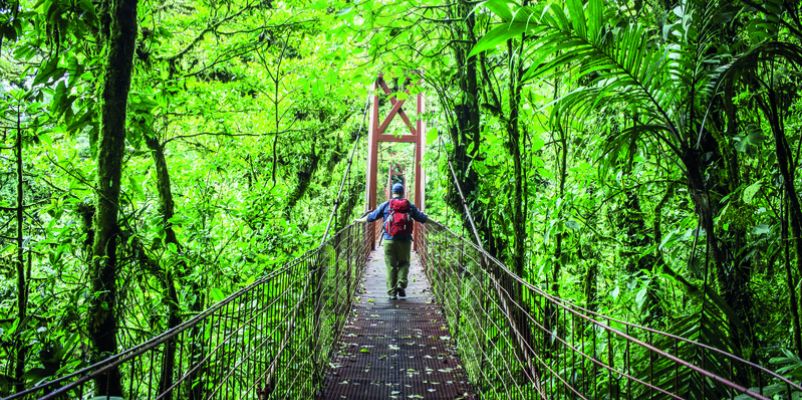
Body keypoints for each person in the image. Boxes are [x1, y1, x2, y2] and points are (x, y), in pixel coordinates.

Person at [356, 183, 428, 299]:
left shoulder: (386, 205)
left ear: (392, 192)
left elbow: (371, 217)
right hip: (405, 241)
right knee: (404, 263)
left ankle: (392, 293)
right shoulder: (409, 206)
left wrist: (358, 220)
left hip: (389, 240)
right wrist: (437, 224)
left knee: (390, 266)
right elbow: (422, 218)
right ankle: (401, 284)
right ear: (403, 192)